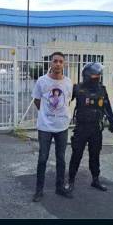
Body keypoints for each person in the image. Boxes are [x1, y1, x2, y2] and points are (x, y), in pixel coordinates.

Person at [66, 62, 113, 193]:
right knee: (76, 154)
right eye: (95, 74)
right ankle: (70, 180)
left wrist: (112, 121)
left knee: (95, 155)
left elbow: (107, 106)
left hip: (96, 128)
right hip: (81, 128)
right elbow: (63, 102)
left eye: (99, 74)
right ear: (87, 75)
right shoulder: (77, 88)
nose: (98, 76)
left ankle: (95, 179)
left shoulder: (102, 89)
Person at [31, 51, 73, 202]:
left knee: (61, 159)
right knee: (42, 158)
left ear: (64, 64)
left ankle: (60, 187)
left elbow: (67, 101)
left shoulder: (68, 82)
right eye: (55, 61)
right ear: (50, 63)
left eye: (61, 61)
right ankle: (39, 190)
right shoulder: (42, 81)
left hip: (62, 126)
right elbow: (37, 101)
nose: (58, 64)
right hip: (45, 127)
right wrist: (45, 113)